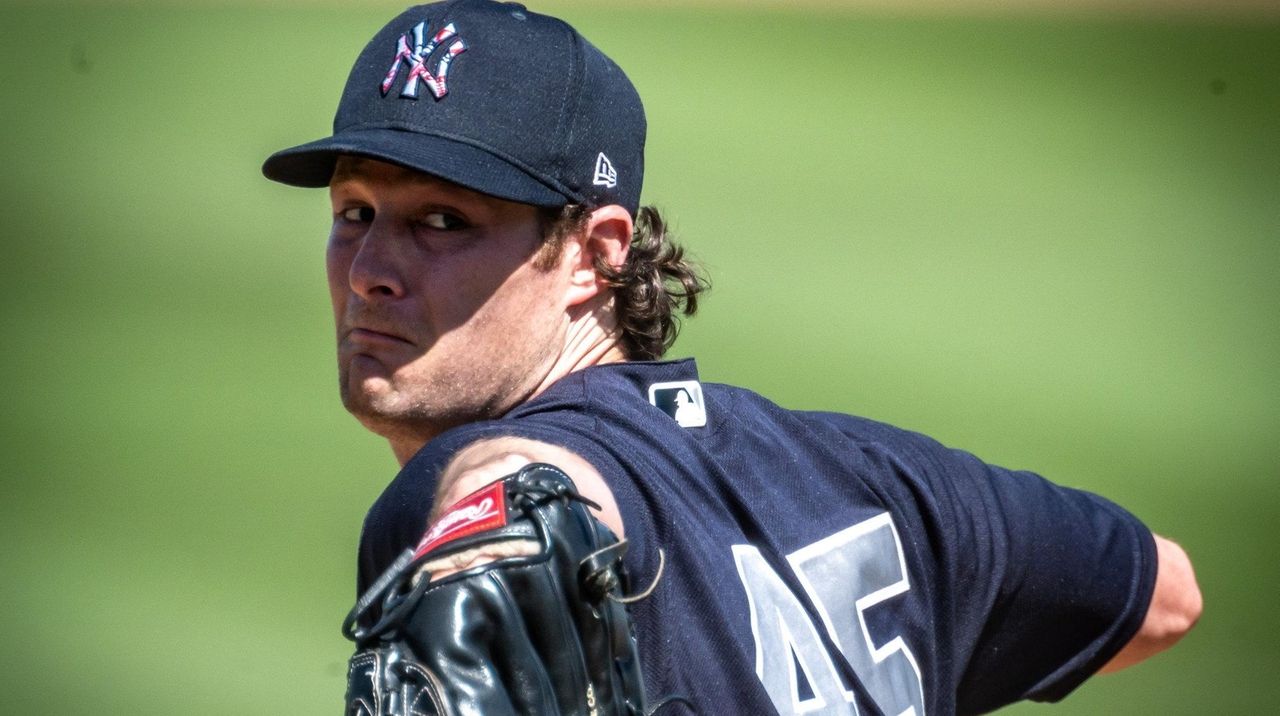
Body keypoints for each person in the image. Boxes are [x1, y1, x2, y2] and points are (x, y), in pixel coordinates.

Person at [262, 1, 1202, 713]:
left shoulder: (471, 505)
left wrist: (487, 505)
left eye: (441, 220)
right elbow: (1164, 593)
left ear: (595, 252)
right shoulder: (884, 485)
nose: (372, 270)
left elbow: (549, 483)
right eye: (354, 213)